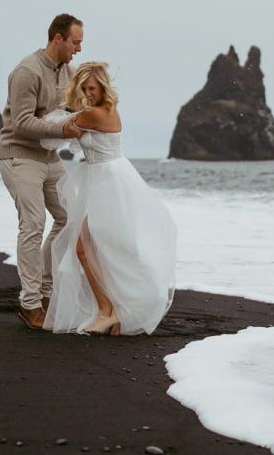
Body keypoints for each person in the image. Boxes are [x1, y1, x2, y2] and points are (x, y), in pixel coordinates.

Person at [45, 62, 178, 336]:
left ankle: (109, 310)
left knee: (86, 249)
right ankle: (113, 311)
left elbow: (59, 127)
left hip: (108, 183)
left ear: (102, 87)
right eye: (83, 88)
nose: (87, 93)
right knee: (102, 250)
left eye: (91, 88)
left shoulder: (95, 114)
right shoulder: (104, 110)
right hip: (106, 179)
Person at [0, 13, 85, 330]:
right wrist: (64, 133)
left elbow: (76, 108)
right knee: (33, 224)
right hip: (19, 155)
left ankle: (46, 294)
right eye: (75, 42)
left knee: (69, 217)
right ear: (57, 38)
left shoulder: (69, 72)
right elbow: (21, 122)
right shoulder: (27, 71)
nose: (78, 48)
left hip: (49, 158)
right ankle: (30, 302)